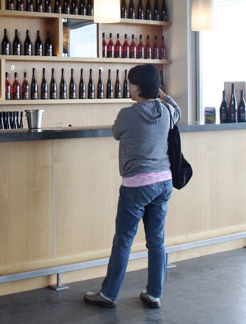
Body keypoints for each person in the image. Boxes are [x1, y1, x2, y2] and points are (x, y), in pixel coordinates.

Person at [84, 64, 180, 309]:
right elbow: (177, 110)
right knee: (156, 240)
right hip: (164, 182)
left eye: (130, 83)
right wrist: (162, 94)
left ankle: (108, 294)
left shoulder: (127, 114)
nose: (128, 88)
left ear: (137, 87)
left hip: (137, 184)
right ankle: (154, 294)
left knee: (124, 241)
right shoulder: (167, 111)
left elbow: (116, 133)